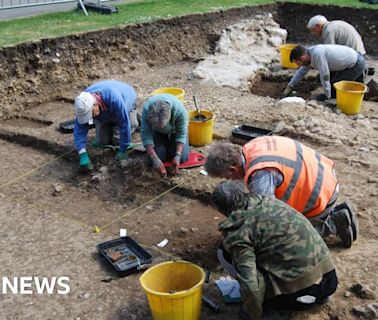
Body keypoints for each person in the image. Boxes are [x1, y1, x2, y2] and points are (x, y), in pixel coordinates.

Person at [212, 181, 338, 320]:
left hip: (297, 298)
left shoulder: (238, 231)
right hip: (329, 281)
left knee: (224, 252)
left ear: (222, 209)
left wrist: (254, 314)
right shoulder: (270, 201)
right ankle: (320, 294)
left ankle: (273, 308)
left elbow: (250, 282)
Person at [205, 136, 358, 248]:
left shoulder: (260, 175)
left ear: (233, 169)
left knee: (282, 242)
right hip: (326, 179)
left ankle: (331, 224)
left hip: (318, 199)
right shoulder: (253, 146)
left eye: (227, 177)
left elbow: (266, 218)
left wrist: (241, 235)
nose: (230, 181)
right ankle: (330, 216)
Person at [73, 80, 138, 170]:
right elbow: (79, 129)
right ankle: (110, 121)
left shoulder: (114, 98)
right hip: (105, 111)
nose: (91, 117)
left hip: (126, 100)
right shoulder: (82, 102)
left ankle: (134, 116)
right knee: (101, 141)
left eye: (91, 114)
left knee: (118, 140)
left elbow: (124, 123)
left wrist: (123, 149)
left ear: (95, 105)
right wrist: (82, 153)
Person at [283, 44, 366, 101]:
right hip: (345, 64)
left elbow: (325, 74)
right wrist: (289, 87)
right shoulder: (308, 54)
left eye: (297, 63)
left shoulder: (317, 54)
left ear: (302, 58)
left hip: (356, 64)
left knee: (335, 88)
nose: (298, 65)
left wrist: (327, 96)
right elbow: (301, 72)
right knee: (332, 84)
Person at [141, 93, 189, 177]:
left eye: (162, 125)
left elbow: (181, 134)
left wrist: (178, 155)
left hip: (175, 131)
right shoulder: (146, 109)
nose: (161, 127)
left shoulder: (179, 110)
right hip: (157, 132)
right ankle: (165, 145)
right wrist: (154, 158)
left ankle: (170, 145)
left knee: (182, 158)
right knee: (158, 157)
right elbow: (146, 135)